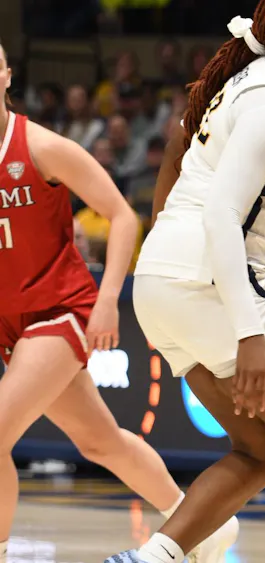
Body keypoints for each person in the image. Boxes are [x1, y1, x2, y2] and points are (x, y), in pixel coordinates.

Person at [103, 1, 265, 562]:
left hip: (162, 279)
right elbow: (220, 214)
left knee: (262, 448)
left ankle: (156, 556)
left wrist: (172, 255)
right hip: (211, 278)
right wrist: (247, 332)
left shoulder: (250, 82)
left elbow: (176, 150)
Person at [0, 39, 237, 563]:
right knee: (99, 441)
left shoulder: (41, 147)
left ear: (7, 76)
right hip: (12, 321)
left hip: (60, 310)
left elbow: (123, 215)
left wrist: (108, 299)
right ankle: (199, 524)